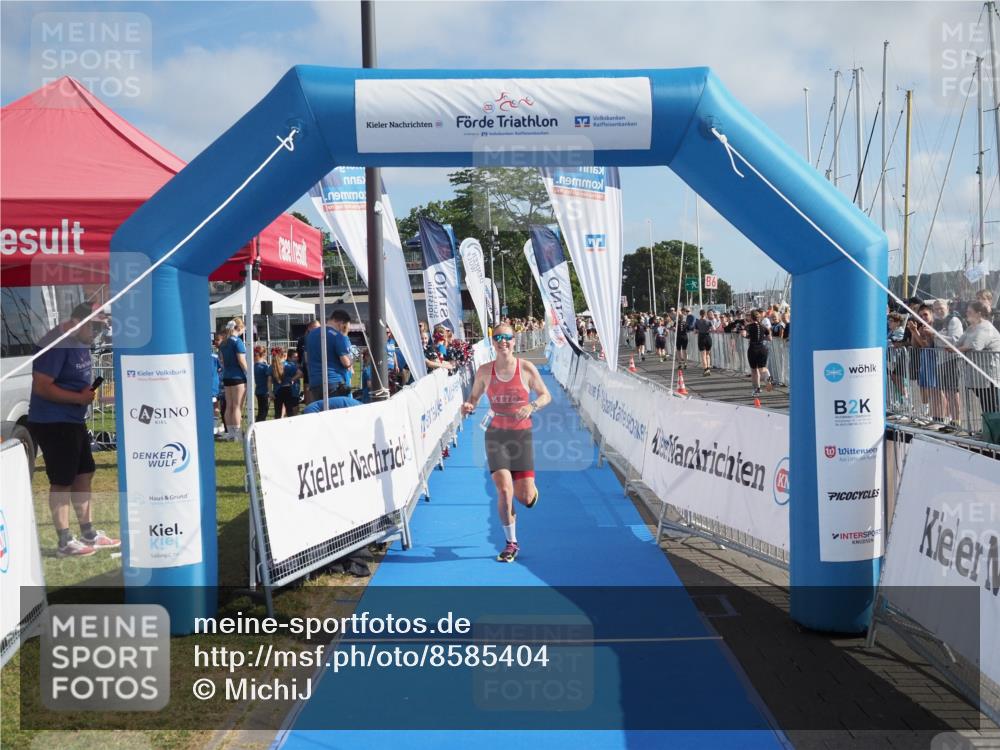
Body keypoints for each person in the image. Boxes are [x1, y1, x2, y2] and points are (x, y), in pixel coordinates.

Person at [28, 303, 120, 557]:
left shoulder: (80, 340)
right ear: (78, 322)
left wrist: (82, 395)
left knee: (84, 473)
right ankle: (64, 542)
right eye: (96, 327)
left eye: (102, 328)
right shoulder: (56, 343)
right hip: (53, 422)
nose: (99, 334)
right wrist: (78, 398)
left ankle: (88, 533)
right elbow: (42, 386)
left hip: (73, 419)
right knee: (62, 481)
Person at [461, 323, 552, 563]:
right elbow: (473, 396)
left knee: (525, 497)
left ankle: (530, 492)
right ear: (493, 342)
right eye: (498, 337)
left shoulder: (526, 368)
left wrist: (531, 406)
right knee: (504, 489)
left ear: (514, 341)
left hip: (521, 436)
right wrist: (469, 405)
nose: (503, 341)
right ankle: (511, 543)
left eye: (507, 337)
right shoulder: (484, 371)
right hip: (496, 435)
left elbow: (546, 395)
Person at [956, 300, 1000, 418]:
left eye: (969, 312)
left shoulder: (986, 328)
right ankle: (988, 426)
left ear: (978, 314)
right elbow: (959, 342)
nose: (966, 314)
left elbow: (976, 346)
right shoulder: (971, 328)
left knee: (992, 406)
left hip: (989, 375)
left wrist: (957, 349)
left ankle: (994, 427)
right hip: (978, 375)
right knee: (986, 405)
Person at [305, 310, 354, 402]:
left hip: (315, 382)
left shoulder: (311, 334)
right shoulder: (338, 336)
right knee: (337, 410)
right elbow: (346, 363)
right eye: (344, 326)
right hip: (334, 382)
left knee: (322, 409)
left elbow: (307, 358)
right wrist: (352, 359)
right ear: (340, 322)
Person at [219, 317, 248, 441]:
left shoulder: (224, 342)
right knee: (237, 406)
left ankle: (230, 433)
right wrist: (249, 373)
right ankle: (237, 434)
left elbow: (222, 361)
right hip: (238, 377)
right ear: (239, 328)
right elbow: (241, 360)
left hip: (227, 376)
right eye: (243, 329)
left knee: (229, 405)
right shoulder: (238, 342)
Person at [742, 309, 773, 396]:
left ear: (751, 318)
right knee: (763, 369)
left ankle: (757, 389)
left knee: (754, 370)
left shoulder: (748, 326)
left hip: (753, 349)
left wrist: (748, 336)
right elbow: (770, 338)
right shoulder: (764, 327)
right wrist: (761, 338)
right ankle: (769, 380)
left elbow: (743, 334)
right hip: (762, 348)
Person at [271, 347, 301, 418]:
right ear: (285, 356)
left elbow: (269, 380)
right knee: (290, 411)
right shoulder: (289, 365)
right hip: (288, 390)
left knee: (278, 412)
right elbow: (300, 373)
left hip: (277, 391)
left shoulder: (272, 366)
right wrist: (292, 379)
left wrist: (270, 391)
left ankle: (279, 423)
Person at [297, 320, 319, 402]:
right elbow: (299, 354)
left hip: (319, 368)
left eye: (319, 327)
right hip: (307, 368)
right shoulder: (303, 339)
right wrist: (300, 365)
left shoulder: (323, 338)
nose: (318, 329)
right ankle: (309, 404)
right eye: (316, 327)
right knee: (308, 387)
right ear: (309, 328)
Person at [252, 346, 271, 422]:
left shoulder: (254, 366)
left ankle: (258, 422)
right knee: (263, 412)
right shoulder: (264, 367)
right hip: (264, 391)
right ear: (263, 355)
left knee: (261, 410)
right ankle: (258, 424)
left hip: (258, 390)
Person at [695, 310, 713, 376]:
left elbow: (695, 331)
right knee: (707, 355)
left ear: (700, 314)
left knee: (703, 355)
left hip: (701, 338)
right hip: (708, 338)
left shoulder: (697, 322)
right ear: (705, 314)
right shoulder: (708, 321)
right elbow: (712, 329)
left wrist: (699, 330)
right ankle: (708, 369)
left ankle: (705, 370)